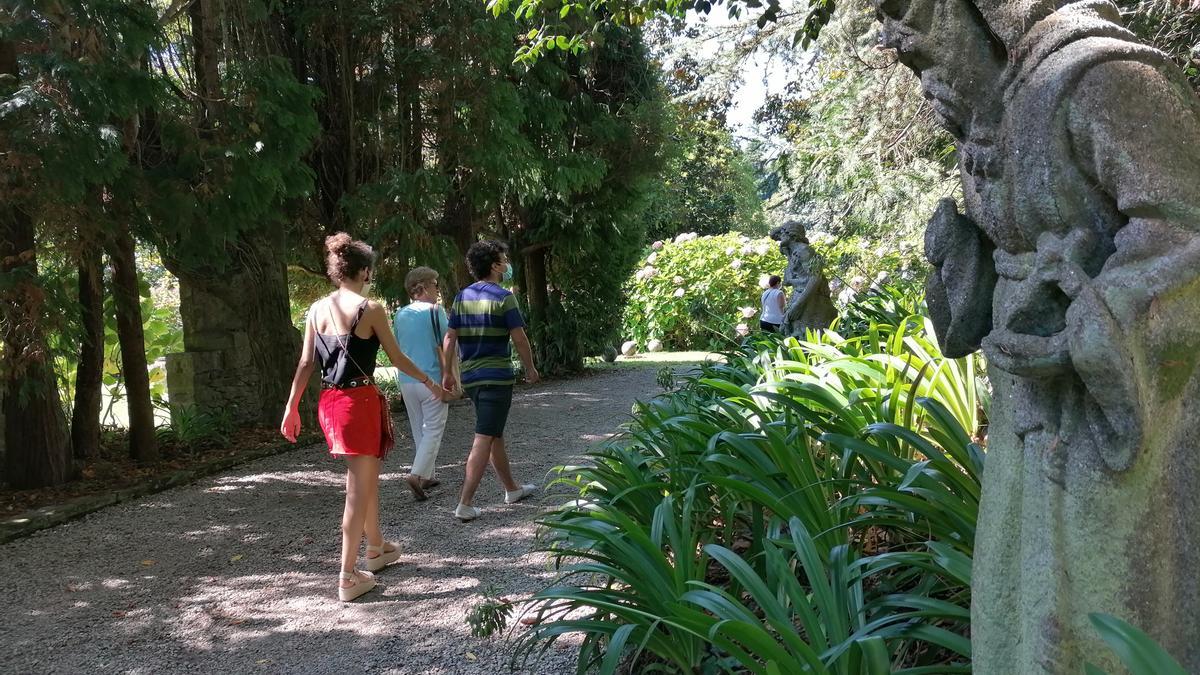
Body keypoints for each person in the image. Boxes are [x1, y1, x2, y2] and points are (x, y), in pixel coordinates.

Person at [280, 233, 445, 602]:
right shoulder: (370, 309)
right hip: (359, 402)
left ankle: (377, 548)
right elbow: (397, 358)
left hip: (330, 402)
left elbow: (307, 362)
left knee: (365, 476)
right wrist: (431, 382)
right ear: (365, 271)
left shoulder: (316, 309)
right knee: (357, 490)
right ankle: (347, 576)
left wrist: (291, 407)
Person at [442, 240, 540, 522]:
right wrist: (530, 368)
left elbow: (450, 336)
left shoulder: (461, 297)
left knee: (494, 432)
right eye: (504, 259)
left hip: (472, 377)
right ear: (495, 266)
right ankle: (465, 503)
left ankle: (511, 489)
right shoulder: (503, 297)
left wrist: (448, 372)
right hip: (496, 377)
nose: (507, 262)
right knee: (485, 435)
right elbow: (519, 337)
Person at [392, 266, 453, 501]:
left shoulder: (400, 314)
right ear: (425, 286)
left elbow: (398, 348)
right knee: (434, 430)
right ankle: (416, 475)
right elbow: (448, 343)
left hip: (407, 380)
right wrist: (452, 374)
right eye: (435, 284)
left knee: (419, 429)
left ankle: (428, 475)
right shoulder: (435, 311)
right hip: (432, 379)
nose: (438, 289)